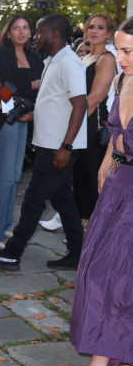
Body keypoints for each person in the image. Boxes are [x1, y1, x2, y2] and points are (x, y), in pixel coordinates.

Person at [0, 14, 87, 272]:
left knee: (34, 198)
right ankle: (78, 253)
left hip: (58, 145)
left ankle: (13, 252)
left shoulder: (68, 62)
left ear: (54, 34)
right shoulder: (51, 60)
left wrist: (67, 146)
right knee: (63, 200)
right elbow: (53, 100)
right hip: (49, 140)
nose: (33, 36)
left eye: (37, 31)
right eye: (28, 30)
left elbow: (80, 103)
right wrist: (34, 113)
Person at [68, 17, 133, 366]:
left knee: (113, 276)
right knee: (102, 270)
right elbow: (116, 134)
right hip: (115, 186)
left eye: (126, 50)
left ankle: (102, 360)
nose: (119, 57)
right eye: (119, 49)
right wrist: (105, 167)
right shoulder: (125, 79)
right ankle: (123, 355)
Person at [0, 15, 42, 248]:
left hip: (23, 117)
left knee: (14, 175)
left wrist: (30, 92)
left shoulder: (34, 57)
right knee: (1, 176)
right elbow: (8, 83)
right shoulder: (2, 53)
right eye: (16, 28)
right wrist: (34, 84)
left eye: (26, 28)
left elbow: (33, 87)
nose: (22, 32)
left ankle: (4, 226)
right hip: (2, 118)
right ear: (8, 32)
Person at [72, 13, 117, 224]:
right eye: (91, 27)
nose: (94, 31)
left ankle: (90, 230)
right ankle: (82, 228)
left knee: (90, 177)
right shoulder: (83, 58)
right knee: (79, 177)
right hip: (79, 120)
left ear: (108, 33)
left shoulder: (107, 59)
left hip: (91, 124)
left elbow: (94, 98)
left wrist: (70, 126)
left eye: (100, 28)